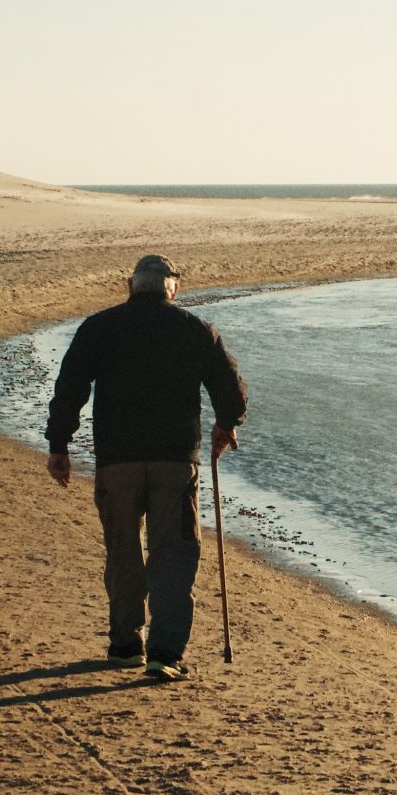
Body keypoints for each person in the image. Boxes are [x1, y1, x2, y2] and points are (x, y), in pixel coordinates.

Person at [43, 254, 248, 681]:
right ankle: (165, 653)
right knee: (172, 554)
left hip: (116, 461)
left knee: (123, 550)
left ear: (130, 285)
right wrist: (225, 425)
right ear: (172, 288)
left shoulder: (99, 327)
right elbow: (230, 389)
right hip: (175, 460)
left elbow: (70, 388)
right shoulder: (195, 330)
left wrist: (59, 444)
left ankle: (125, 645)